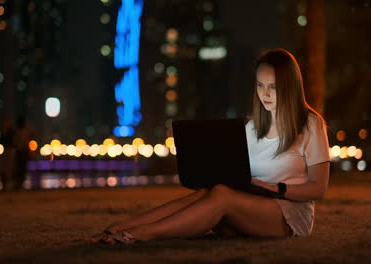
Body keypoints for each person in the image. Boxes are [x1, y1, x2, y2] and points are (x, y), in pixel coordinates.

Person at [90, 48, 331, 245]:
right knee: (209, 191)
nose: (264, 94)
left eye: (273, 87)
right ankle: (118, 228)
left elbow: (318, 189)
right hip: (248, 204)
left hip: (289, 215)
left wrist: (274, 188)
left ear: (289, 86)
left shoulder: (310, 123)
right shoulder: (250, 126)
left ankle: (139, 235)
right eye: (260, 85)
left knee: (222, 195)